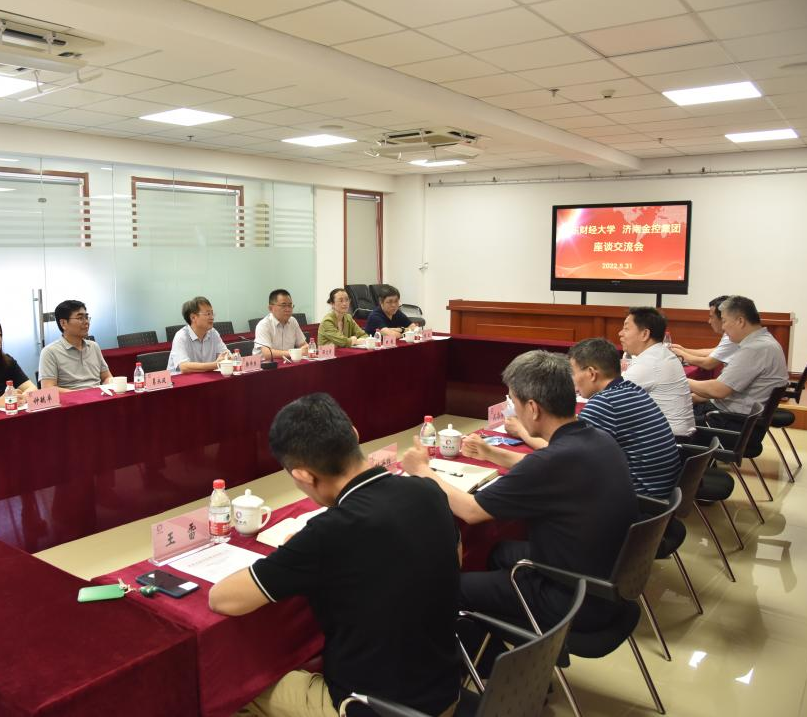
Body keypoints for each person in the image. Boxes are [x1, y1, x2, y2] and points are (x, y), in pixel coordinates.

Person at [210, 394, 462, 717]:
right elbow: (454, 557)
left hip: (369, 708)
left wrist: (301, 551)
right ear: (354, 434)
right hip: (446, 694)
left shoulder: (328, 532)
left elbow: (222, 599)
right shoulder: (427, 491)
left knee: (236, 687)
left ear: (303, 475)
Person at [402, 350, 638, 650]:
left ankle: (489, 659)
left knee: (442, 588)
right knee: (498, 552)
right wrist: (492, 453)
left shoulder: (552, 463)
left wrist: (422, 471)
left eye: (513, 402)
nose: (512, 410)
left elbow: (472, 511)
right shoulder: (597, 439)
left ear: (533, 408)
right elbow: (542, 464)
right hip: (606, 579)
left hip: (573, 597)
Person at [497, 339, 681, 499]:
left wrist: (521, 430)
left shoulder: (604, 404)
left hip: (640, 498)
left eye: (573, 372)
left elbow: (556, 450)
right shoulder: (631, 389)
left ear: (592, 374)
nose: (572, 380)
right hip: (660, 491)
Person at [690, 295, 788, 421]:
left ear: (740, 321)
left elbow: (718, 390)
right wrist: (694, 396)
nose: (723, 327)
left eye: (724, 321)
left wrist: (681, 380)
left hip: (729, 419)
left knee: (669, 422)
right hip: (732, 414)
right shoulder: (763, 342)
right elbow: (725, 388)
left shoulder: (755, 348)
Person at [619, 307, 695, 438]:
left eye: (626, 328)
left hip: (669, 441)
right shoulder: (661, 354)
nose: (620, 333)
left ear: (644, 334)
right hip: (677, 437)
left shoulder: (649, 363)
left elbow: (609, 397)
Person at [38, 300, 112, 390]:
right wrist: (84, 395)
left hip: (98, 396)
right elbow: (48, 388)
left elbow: (106, 377)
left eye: (86, 317)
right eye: (80, 318)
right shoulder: (50, 352)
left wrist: (113, 384)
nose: (86, 322)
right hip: (71, 398)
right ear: (63, 323)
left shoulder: (94, 346)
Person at [670, 295, 738, 371]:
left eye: (711, 317)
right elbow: (715, 351)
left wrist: (681, 355)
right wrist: (684, 350)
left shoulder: (734, 335)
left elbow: (708, 364)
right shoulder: (730, 333)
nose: (709, 321)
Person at [167, 296, 230, 373]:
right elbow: (184, 367)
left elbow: (226, 354)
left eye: (212, 313)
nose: (212, 317)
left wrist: (225, 357)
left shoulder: (213, 333)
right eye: (208, 314)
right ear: (193, 317)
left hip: (205, 378)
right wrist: (216, 364)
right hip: (179, 380)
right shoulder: (181, 336)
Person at [253, 288, 308, 361]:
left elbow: (304, 345)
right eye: (283, 306)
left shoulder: (293, 321)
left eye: (290, 305)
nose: (288, 309)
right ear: (270, 308)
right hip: (266, 365)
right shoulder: (263, 325)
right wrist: (294, 353)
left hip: (287, 363)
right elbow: (267, 353)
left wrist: (305, 348)